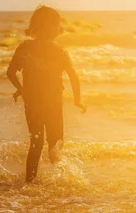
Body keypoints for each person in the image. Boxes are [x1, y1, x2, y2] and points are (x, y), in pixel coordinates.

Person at [7, 5, 85, 183]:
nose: (59, 27)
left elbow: (10, 72)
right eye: (57, 23)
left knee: (36, 143)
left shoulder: (25, 48)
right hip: (53, 103)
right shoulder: (59, 51)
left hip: (32, 102)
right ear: (51, 27)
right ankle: (62, 181)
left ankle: (30, 181)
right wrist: (78, 100)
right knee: (56, 143)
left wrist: (21, 89)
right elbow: (74, 77)